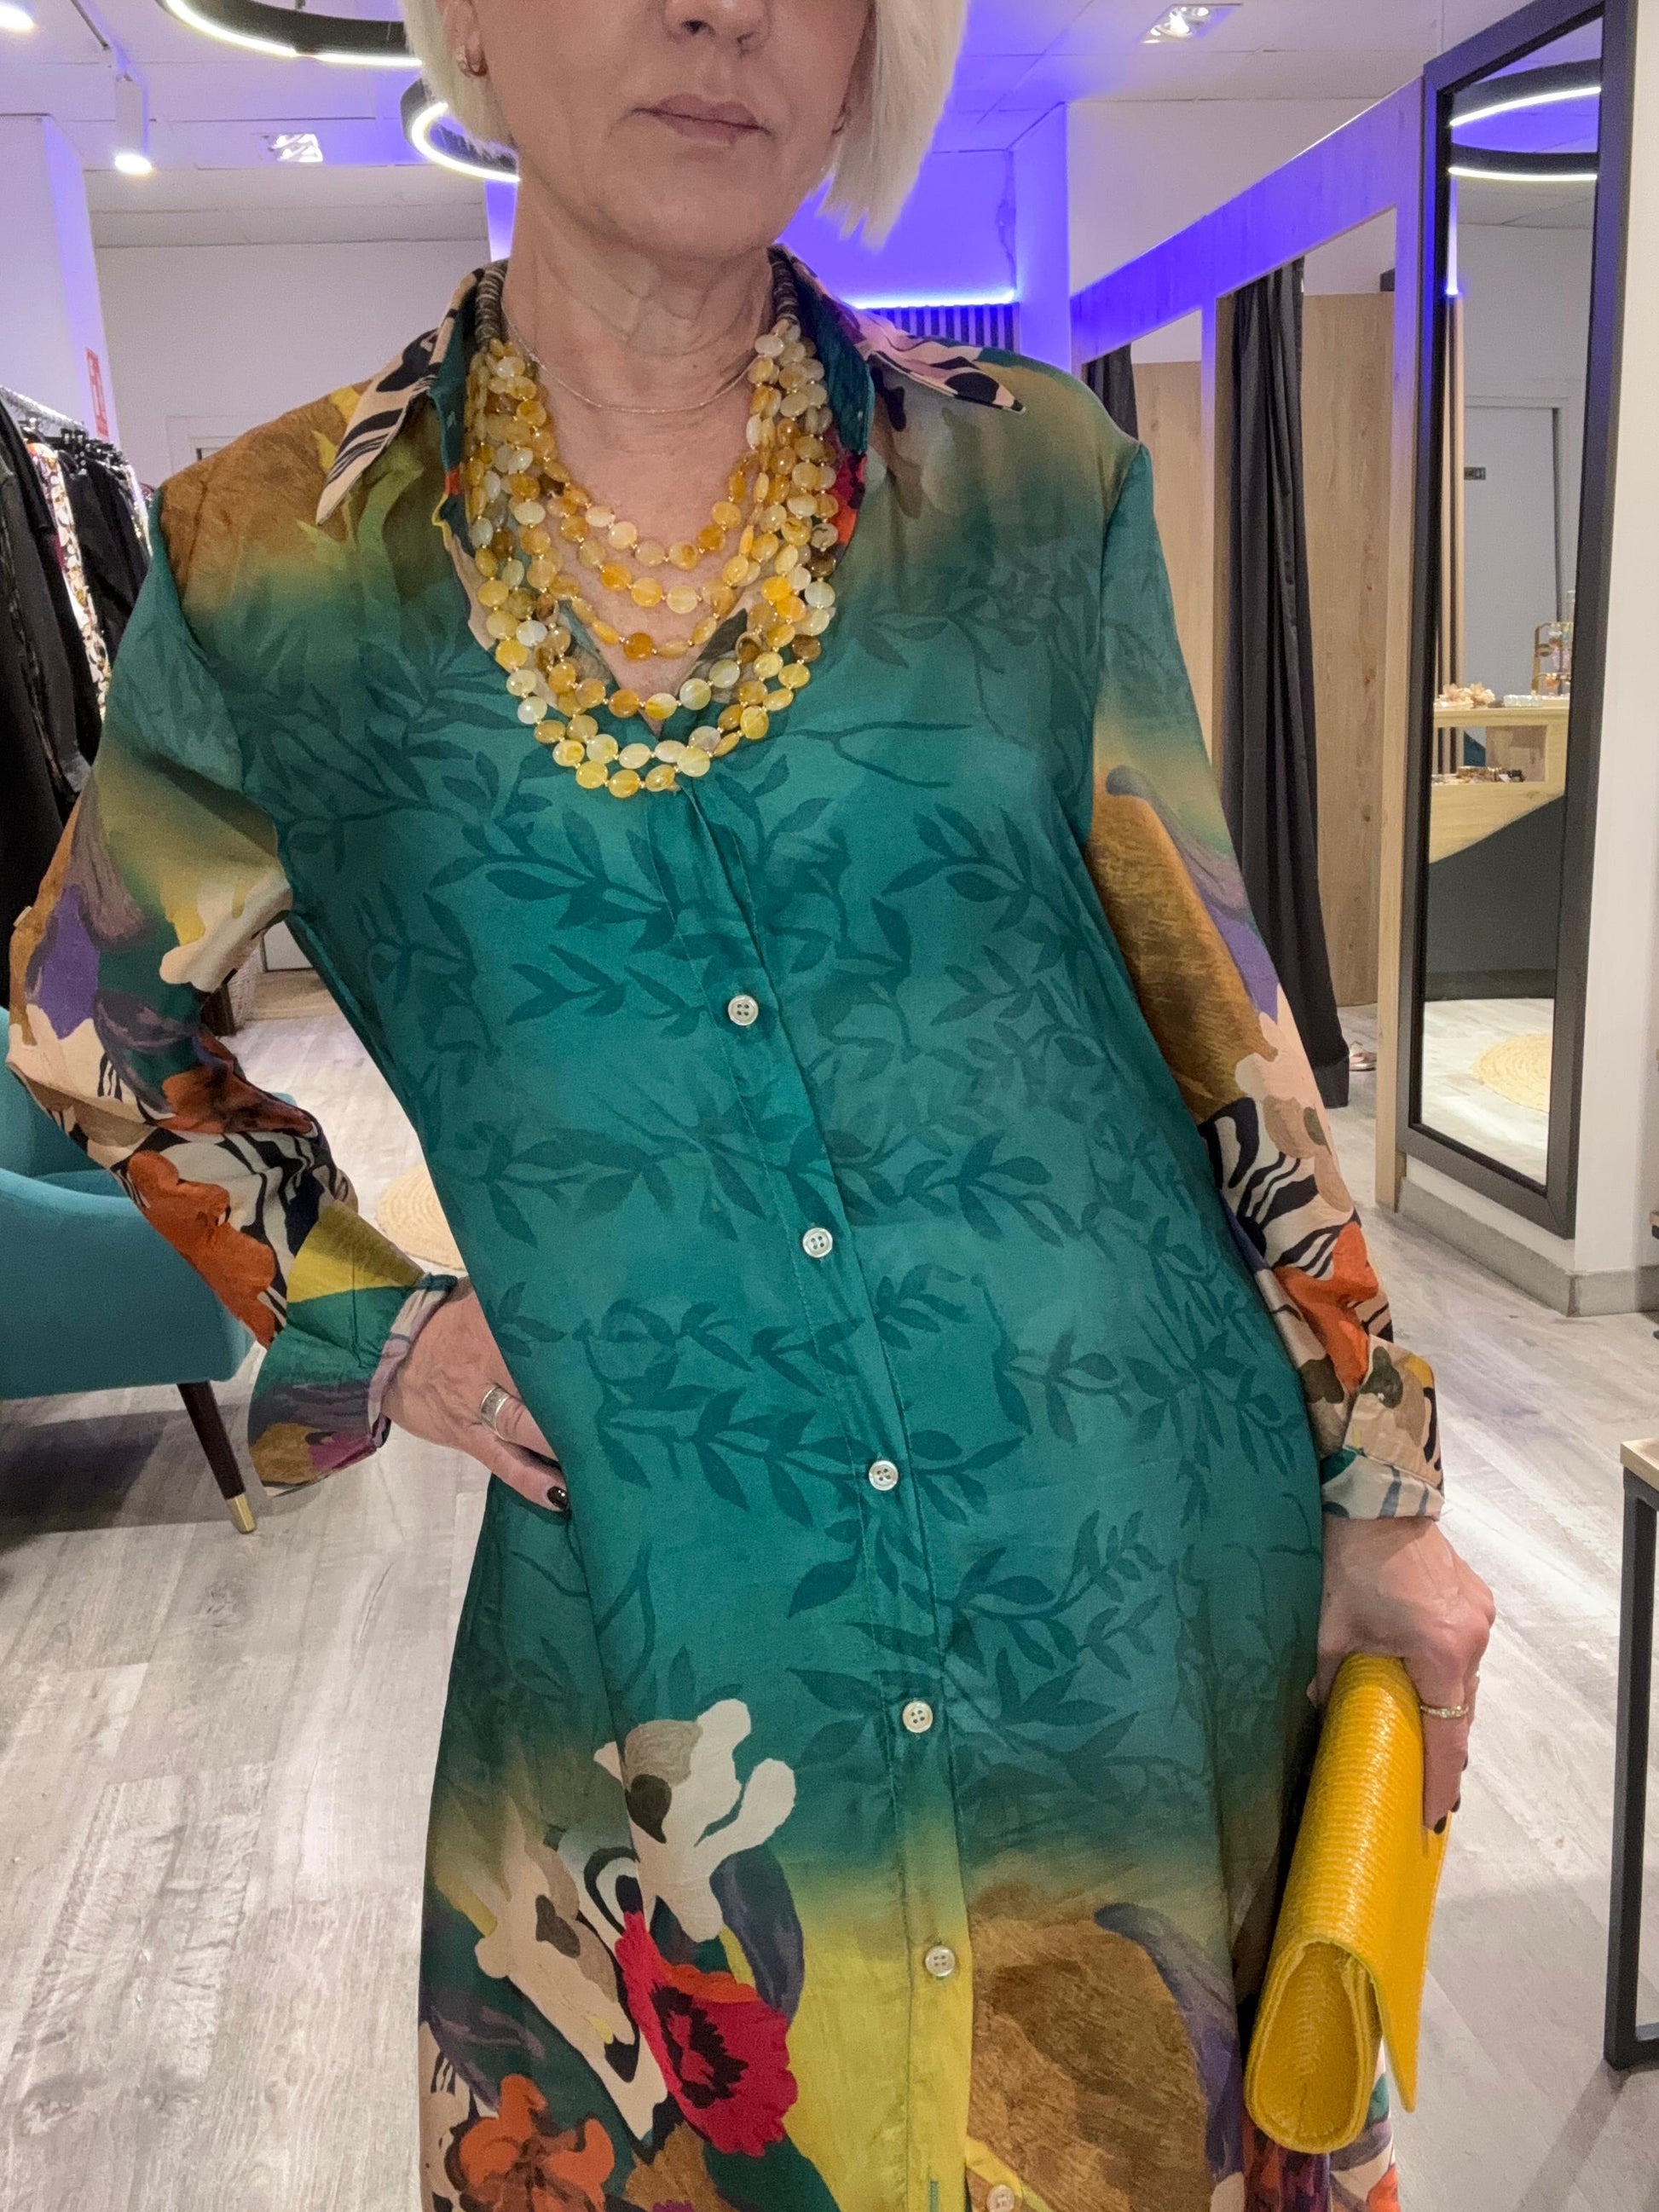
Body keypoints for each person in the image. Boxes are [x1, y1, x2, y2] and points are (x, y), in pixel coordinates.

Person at [6, 2, 1494, 2206]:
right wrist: (377, 1323)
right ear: (474, 20)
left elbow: (1221, 1008)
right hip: (678, 1617)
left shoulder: (1035, 482)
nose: (721, 13)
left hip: (1130, 1558)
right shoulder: (272, 568)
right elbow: (89, 1018)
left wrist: (1380, 1485)